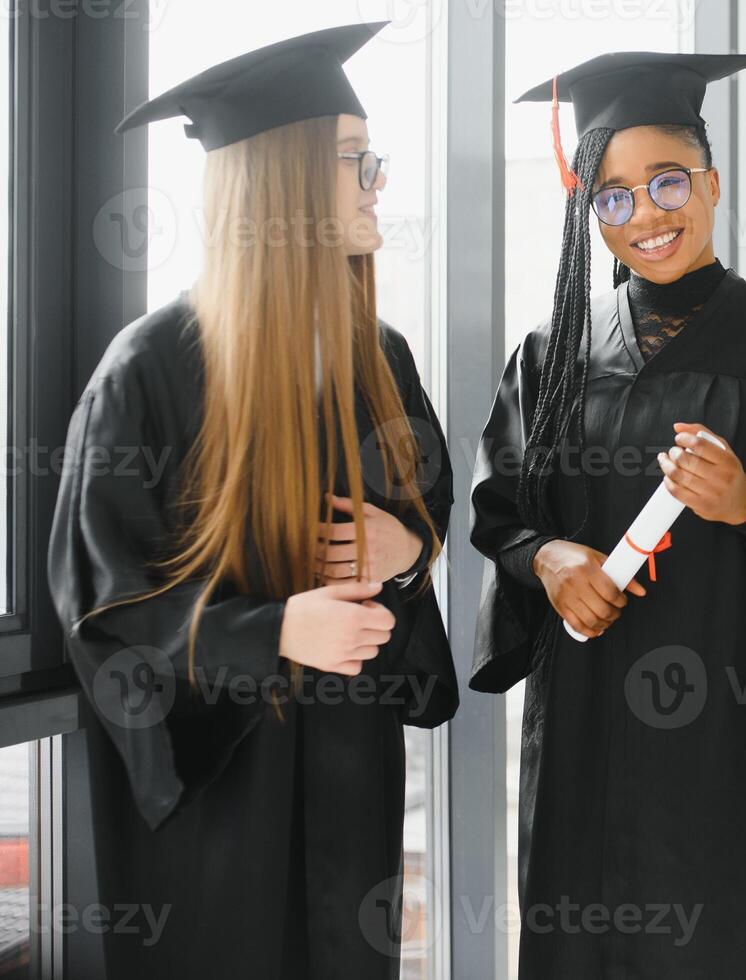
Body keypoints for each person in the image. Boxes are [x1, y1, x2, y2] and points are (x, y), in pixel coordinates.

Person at [469, 51, 746, 979]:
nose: (647, 214)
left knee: (731, 937)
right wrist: (549, 563)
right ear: (592, 212)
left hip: (740, 730)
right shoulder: (552, 352)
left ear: (709, 179)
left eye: (667, 181)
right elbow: (500, 511)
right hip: (591, 725)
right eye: (613, 196)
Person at [46, 23, 456, 978]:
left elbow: (420, 520)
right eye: (357, 161)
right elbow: (104, 603)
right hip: (221, 797)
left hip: (351, 776)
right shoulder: (146, 372)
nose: (378, 181)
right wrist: (271, 631)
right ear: (285, 183)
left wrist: (405, 551)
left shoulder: (378, 357)